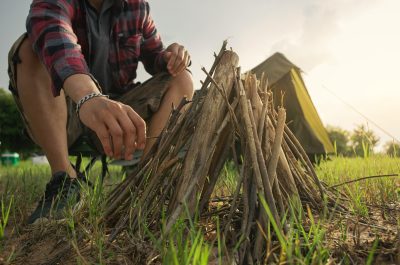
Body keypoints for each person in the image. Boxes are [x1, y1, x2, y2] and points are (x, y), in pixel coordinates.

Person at [8, 0, 194, 224]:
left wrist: (168, 57)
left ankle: (148, 181)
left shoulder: (138, 7)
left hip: (119, 113)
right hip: (65, 115)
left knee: (183, 79)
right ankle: (65, 180)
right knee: (29, 47)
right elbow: (54, 37)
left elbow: (154, 56)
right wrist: (89, 97)